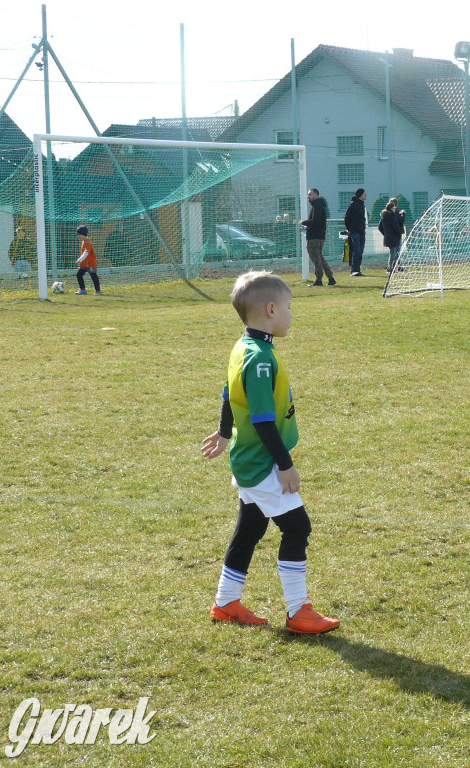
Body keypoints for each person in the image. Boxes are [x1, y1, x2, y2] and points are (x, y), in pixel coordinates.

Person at [201, 271, 340, 633]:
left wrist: (224, 432)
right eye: (290, 308)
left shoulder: (243, 345)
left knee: (250, 528)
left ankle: (225, 603)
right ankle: (299, 612)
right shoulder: (261, 358)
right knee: (298, 527)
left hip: (246, 456)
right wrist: (285, 465)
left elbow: (228, 394)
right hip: (262, 461)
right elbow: (263, 421)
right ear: (272, 309)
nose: (293, 315)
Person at [301, 188, 335, 286]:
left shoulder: (317, 207)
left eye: (310, 194)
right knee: (320, 258)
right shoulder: (319, 206)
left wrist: (303, 222)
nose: (308, 196)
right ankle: (331, 278)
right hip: (319, 236)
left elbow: (316, 222)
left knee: (316, 259)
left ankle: (319, 280)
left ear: (316, 195)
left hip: (314, 237)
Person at [344, 188, 367, 276]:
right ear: (360, 195)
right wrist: (349, 229)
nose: (366, 195)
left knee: (360, 251)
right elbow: (347, 218)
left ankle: (358, 269)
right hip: (355, 231)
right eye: (364, 193)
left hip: (362, 231)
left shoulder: (362, 205)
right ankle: (354, 270)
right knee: (356, 250)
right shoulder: (353, 205)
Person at [379, 198, 406, 273]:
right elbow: (396, 226)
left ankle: (390, 267)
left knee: (392, 253)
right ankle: (393, 268)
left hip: (388, 237)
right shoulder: (393, 216)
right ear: (391, 208)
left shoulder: (384, 216)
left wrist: (386, 234)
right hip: (394, 237)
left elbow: (380, 227)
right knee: (395, 253)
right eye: (394, 208)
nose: (395, 209)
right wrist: (398, 233)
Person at [74, 225, 102, 295]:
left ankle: (98, 291)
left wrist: (80, 259)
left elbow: (86, 252)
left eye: (79, 235)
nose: (78, 236)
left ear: (83, 234)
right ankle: (83, 290)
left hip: (90, 264)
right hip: (84, 264)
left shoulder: (88, 242)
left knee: (94, 276)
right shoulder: (83, 242)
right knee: (78, 275)